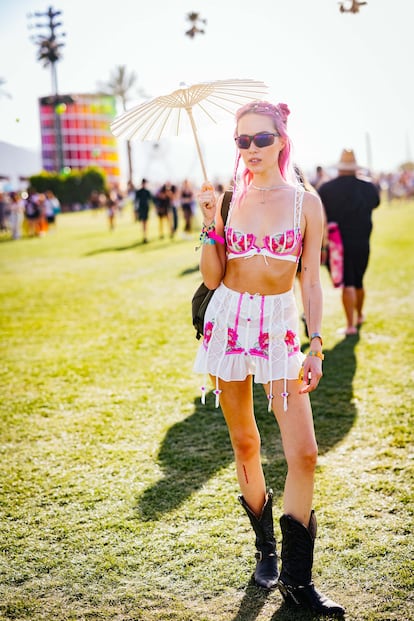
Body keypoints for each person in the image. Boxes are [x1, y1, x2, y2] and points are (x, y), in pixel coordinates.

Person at [194, 100, 345, 617]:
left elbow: (309, 278)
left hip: (280, 328)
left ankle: (298, 582)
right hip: (230, 323)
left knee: (303, 452)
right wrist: (210, 224)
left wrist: (317, 341)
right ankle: (266, 550)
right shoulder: (230, 197)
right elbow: (213, 278)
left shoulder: (307, 203)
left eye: (261, 139)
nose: (252, 149)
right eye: (242, 141)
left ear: (282, 139)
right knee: (245, 440)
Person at [318, 149, 380, 335]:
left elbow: (321, 213)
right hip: (363, 241)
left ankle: (350, 325)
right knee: (359, 281)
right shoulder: (368, 187)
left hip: (338, 242)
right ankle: (359, 315)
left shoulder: (327, 188)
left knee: (348, 283)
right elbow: (376, 204)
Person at [134, 179, 152, 243]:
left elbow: (151, 199)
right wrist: (135, 210)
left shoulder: (147, 191)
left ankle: (145, 236)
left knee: (146, 222)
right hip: (141, 209)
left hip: (146, 208)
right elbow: (136, 201)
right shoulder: (138, 191)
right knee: (143, 222)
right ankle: (144, 236)